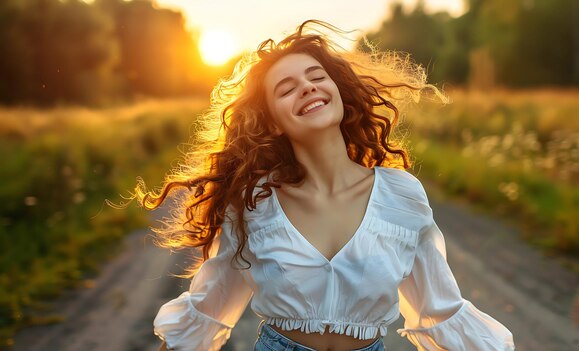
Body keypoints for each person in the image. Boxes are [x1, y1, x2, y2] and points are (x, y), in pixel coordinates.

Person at [137, 20, 515, 351]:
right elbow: (210, 304)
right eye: (286, 89)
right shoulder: (255, 202)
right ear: (272, 123)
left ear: (337, 91)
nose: (307, 87)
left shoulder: (401, 194)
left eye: (316, 77)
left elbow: (440, 307)